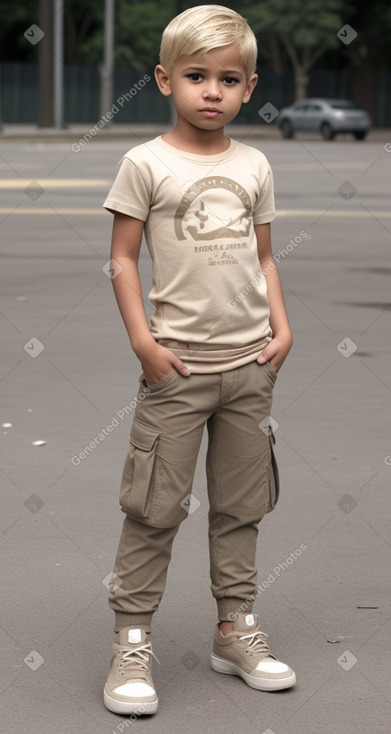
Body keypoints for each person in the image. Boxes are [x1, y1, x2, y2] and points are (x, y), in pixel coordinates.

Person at [102, 4, 296, 716]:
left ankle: (233, 628)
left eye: (228, 79)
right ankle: (131, 640)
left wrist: (283, 331)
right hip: (176, 369)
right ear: (163, 80)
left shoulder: (255, 164)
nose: (211, 91)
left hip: (250, 368)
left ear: (248, 87)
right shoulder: (144, 162)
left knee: (241, 508)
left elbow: (265, 259)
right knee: (154, 508)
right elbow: (122, 260)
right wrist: (144, 345)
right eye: (195, 76)